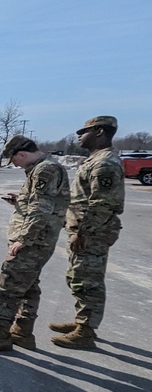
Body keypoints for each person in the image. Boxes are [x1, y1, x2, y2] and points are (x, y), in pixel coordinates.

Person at [0, 135, 69, 352]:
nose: (14, 164)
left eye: (14, 160)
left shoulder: (45, 170)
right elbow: (42, 203)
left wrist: (23, 239)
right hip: (39, 240)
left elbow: (41, 209)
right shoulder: (44, 168)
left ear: (21, 154)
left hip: (33, 242)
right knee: (29, 287)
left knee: (6, 286)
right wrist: (20, 201)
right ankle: (23, 332)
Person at [49, 116, 125, 349]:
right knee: (78, 277)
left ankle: (86, 331)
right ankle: (82, 321)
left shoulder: (105, 163)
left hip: (91, 232)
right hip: (85, 230)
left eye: (84, 131)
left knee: (87, 281)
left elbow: (101, 204)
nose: (79, 136)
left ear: (100, 132)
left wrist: (82, 233)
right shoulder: (96, 160)